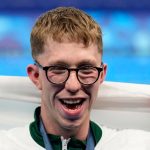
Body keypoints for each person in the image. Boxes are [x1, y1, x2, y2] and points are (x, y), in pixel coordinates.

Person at [0, 7, 150, 150]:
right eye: (58, 69)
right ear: (36, 76)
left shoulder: (138, 145)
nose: (73, 85)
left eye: (86, 69)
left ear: (102, 74)